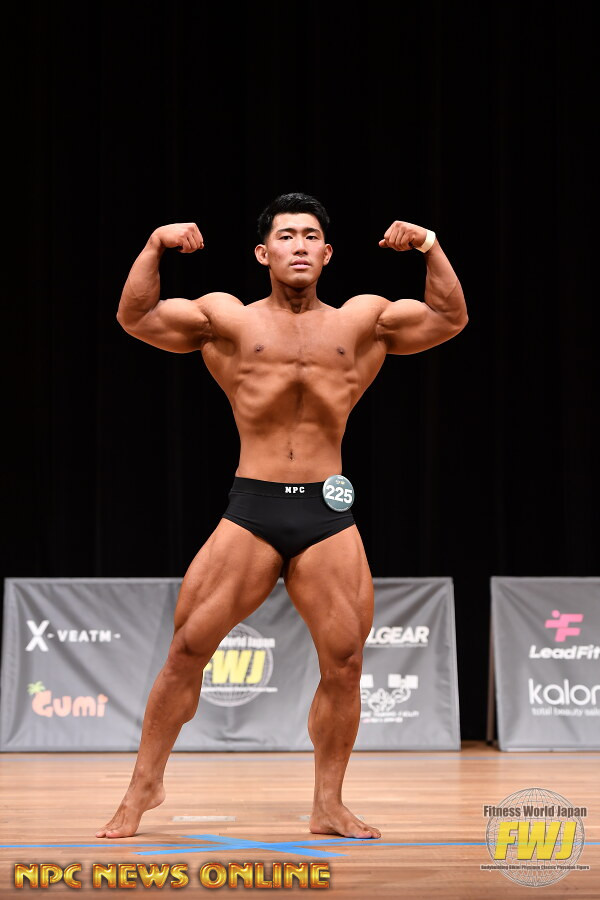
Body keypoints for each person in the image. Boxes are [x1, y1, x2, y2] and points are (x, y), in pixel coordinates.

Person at [97, 193, 467, 841]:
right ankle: (143, 787)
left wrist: (430, 245)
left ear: (328, 253)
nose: (299, 244)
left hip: (326, 509)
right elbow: (137, 317)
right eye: (287, 235)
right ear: (263, 253)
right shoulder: (228, 319)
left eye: (311, 235)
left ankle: (328, 803)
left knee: (344, 662)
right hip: (254, 506)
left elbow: (448, 317)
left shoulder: (361, 320)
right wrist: (155, 245)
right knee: (187, 650)